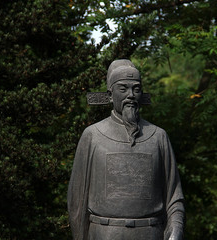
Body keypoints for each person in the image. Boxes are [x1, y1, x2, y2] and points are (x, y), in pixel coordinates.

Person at [67, 59, 185, 240]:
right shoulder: (92, 136)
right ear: (110, 95)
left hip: (150, 233)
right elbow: (77, 201)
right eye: (123, 89)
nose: (130, 95)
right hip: (104, 234)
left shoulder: (158, 136)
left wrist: (176, 230)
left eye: (136, 89)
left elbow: (174, 197)